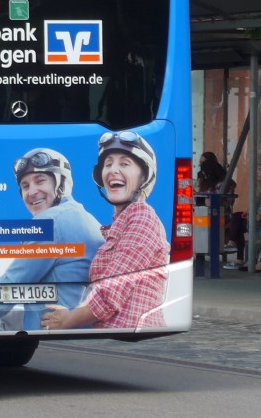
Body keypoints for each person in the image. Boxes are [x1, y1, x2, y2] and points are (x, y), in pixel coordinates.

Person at [0, 148, 104, 331]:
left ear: (61, 184)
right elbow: (43, 294)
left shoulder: (49, 222)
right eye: (25, 186)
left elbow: (11, 286)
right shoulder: (91, 221)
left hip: (55, 342)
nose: (32, 191)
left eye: (40, 181)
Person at [42, 130, 169, 331]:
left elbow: (111, 292)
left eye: (124, 164)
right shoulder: (117, 225)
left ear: (143, 176)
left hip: (132, 337)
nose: (113, 170)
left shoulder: (142, 218)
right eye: (108, 164)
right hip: (117, 336)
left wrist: (68, 320)